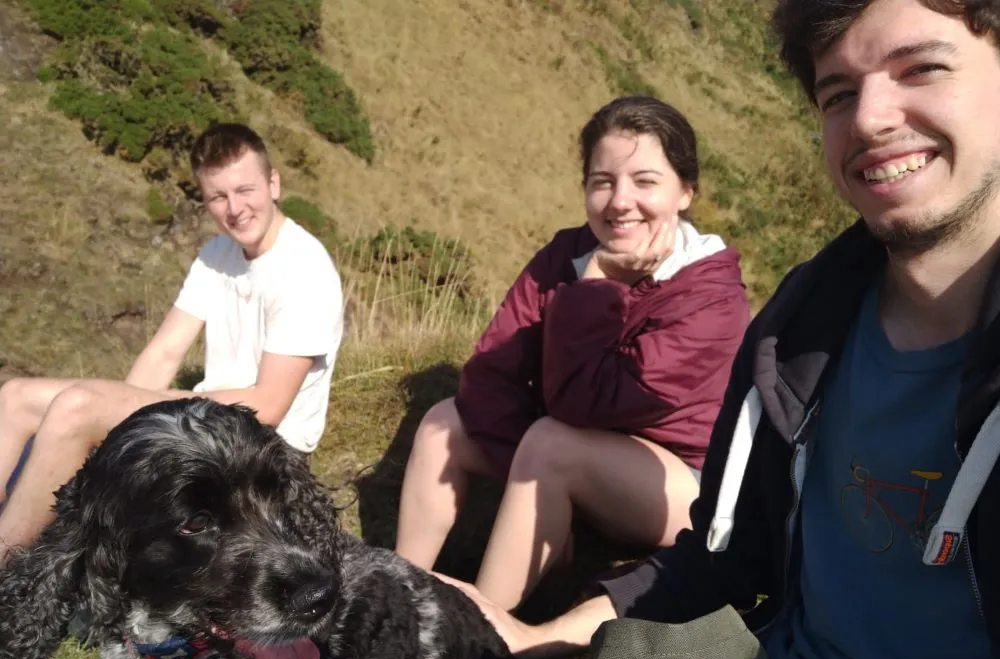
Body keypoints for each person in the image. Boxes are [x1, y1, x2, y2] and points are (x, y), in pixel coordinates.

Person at [441, 0, 1000, 659]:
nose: (870, 118)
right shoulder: (800, 334)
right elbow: (719, 560)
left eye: (922, 69)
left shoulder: (720, 296)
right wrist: (533, 638)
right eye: (837, 93)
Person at [396, 95, 750, 611]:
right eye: (602, 181)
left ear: (685, 193)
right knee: (443, 422)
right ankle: (394, 590)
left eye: (645, 182)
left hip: (680, 488)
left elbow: (588, 405)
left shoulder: (710, 297)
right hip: (572, 450)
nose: (619, 201)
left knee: (553, 444)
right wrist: (528, 481)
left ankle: (480, 636)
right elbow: (491, 372)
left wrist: (599, 285)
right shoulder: (565, 254)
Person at [0, 122, 344, 564]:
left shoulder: (304, 270)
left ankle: (8, 559)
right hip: (204, 419)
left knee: (78, 406)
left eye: (245, 190)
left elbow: (269, 404)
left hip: (263, 447)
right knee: (16, 396)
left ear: (273, 183)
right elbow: (165, 351)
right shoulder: (216, 255)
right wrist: (128, 424)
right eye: (218, 197)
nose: (235, 208)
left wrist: (145, 407)